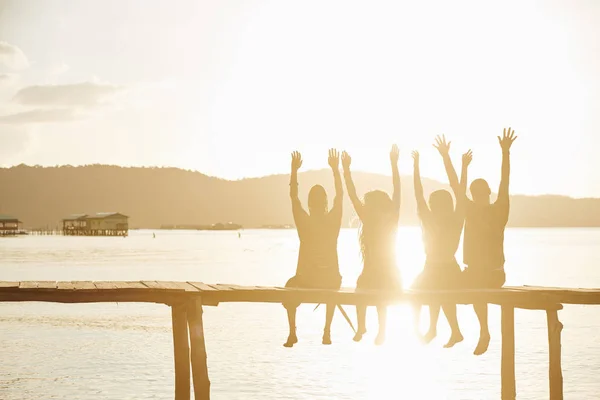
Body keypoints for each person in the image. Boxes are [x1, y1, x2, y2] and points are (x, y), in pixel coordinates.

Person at [411, 135, 472, 348]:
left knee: (422, 292)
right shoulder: (454, 220)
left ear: (433, 205)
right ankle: (443, 330)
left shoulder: (433, 220)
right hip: (445, 269)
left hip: (439, 269)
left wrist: (416, 166)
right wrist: (455, 162)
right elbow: (460, 192)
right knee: (428, 291)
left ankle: (435, 329)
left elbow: (419, 194)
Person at [463, 127, 517, 355]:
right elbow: (458, 189)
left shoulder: (498, 211)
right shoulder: (475, 210)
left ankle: (484, 330)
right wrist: (461, 167)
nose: (478, 197)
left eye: (478, 193)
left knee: (476, 286)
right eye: (477, 194)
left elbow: (505, 181)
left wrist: (506, 153)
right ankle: (476, 331)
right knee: (451, 282)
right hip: (480, 273)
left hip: (493, 273)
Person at [283, 149, 344, 347]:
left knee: (288, 288)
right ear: (325, 202)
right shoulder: (333, 221)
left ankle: (292, 332)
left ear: (310, 203)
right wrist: (336, 170)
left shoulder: (304, 223)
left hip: (306, 279)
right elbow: (340, 197)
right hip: (330, 279)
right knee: (333, 286)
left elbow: (294, 198)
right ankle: (327, 331)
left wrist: (294, 171)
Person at [342, 145, 401, 346]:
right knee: (370, 293)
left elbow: (352, 194)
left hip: (384, 275)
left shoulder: (373, 217)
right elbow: (397, 191)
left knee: (367, 293)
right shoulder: (391, 216)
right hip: (387, 274)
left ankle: (365, 327)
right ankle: (373, 330)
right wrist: (394, 164)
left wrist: (346, 170)